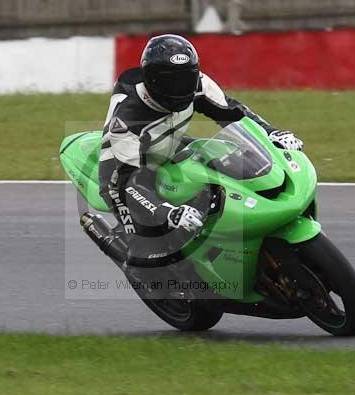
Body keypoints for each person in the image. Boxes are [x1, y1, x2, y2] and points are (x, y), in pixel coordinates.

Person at [98, 34, 303, 247]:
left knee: (222, 155)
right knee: (151, 247)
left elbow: (233, 113)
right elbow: (128, 184)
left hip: (168, 147)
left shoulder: (198, 84)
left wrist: (271, 133)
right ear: (152, 79)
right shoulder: (127, 120)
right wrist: (167, 212)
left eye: (186, 78)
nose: (181, 88)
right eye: (171, 81)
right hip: (124, 176)